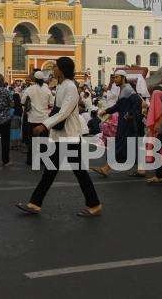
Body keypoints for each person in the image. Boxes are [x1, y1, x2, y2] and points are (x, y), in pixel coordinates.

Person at [16, 57, 101, 216]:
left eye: (55, 66)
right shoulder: (61, 85)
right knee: (50, 170)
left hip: (70, 135)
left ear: (62, 69)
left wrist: (44, 125)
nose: (53, 69)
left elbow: (64, 112)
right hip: (60, 134)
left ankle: (94, 204)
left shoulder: (70, 87)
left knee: (78, 171)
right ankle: (35, 203)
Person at [92, 69, 141, 177]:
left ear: (123, 78)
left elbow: (138, 102)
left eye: (117, 77)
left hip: (128, 124)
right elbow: (119, 106)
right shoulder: (123, 89)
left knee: (121, 145)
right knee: (129, 146)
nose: (114, 80)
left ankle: (106, 168)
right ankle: (142, 169)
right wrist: (106, 111)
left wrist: (130, 114)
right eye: (114, 77)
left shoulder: (127, 89)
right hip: (124, 123)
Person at [22, 71, 52, 165]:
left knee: (32, 140)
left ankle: (31, 160)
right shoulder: (47, 90)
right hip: (44, 120)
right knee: (44, 141)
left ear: (34, 79)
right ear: (43, 79)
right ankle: (43, 160)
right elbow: (51, 104)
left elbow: (22, 101)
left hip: (32, 119)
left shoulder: (29, 89)